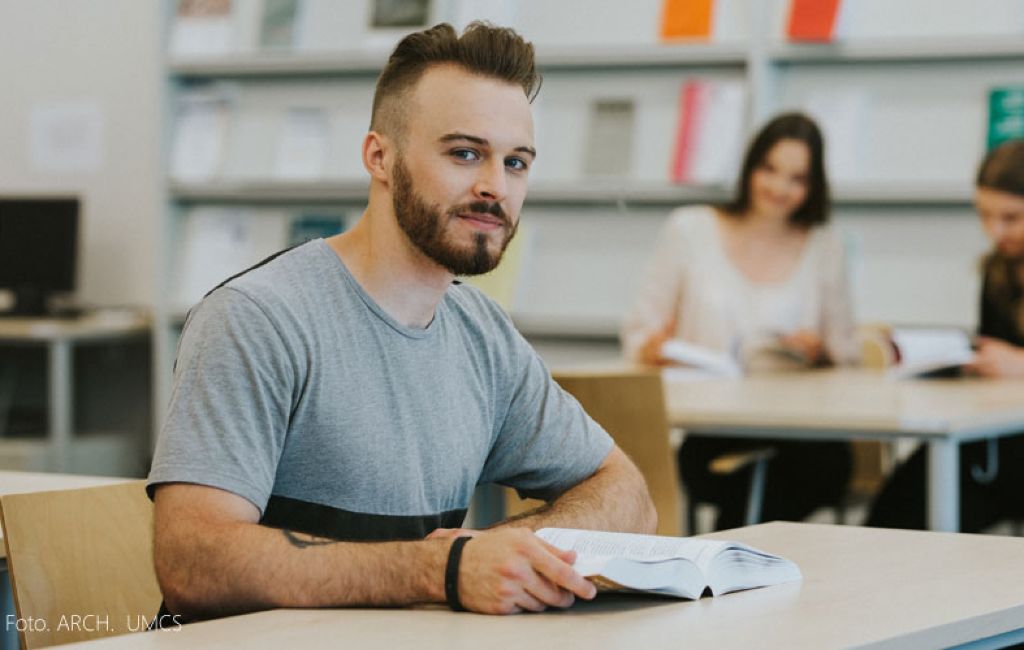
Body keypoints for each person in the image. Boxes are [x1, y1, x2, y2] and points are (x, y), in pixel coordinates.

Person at [148, 22, 656, 622]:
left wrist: (511, 550)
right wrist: (437, 570)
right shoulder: (257, 319)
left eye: (516, 162)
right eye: (465, 153)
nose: (495, 186)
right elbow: (193, 563)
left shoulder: (482, 335)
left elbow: (629, 497)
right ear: (379, 157)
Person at [621, 112, 858, 531]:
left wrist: (818, 351)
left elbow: (847, 355)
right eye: (769, 169)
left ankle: (730, 564)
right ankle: (737, 565)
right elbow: (638, 333)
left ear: (813, 185)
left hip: (800, 431)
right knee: (749, 479)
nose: (779, 188)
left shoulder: (825, 247)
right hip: (710, 427)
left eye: (797, 178)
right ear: (750, 166)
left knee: (813, 467)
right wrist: (653, 348)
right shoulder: (690, 229)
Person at [867, 139, 1024, 531]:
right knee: (901, 501)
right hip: (993, 438)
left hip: (1006, 448)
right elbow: (993, 348)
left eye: (1011, 217)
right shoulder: (998, 272)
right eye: (984, 215)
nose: (995, 231)